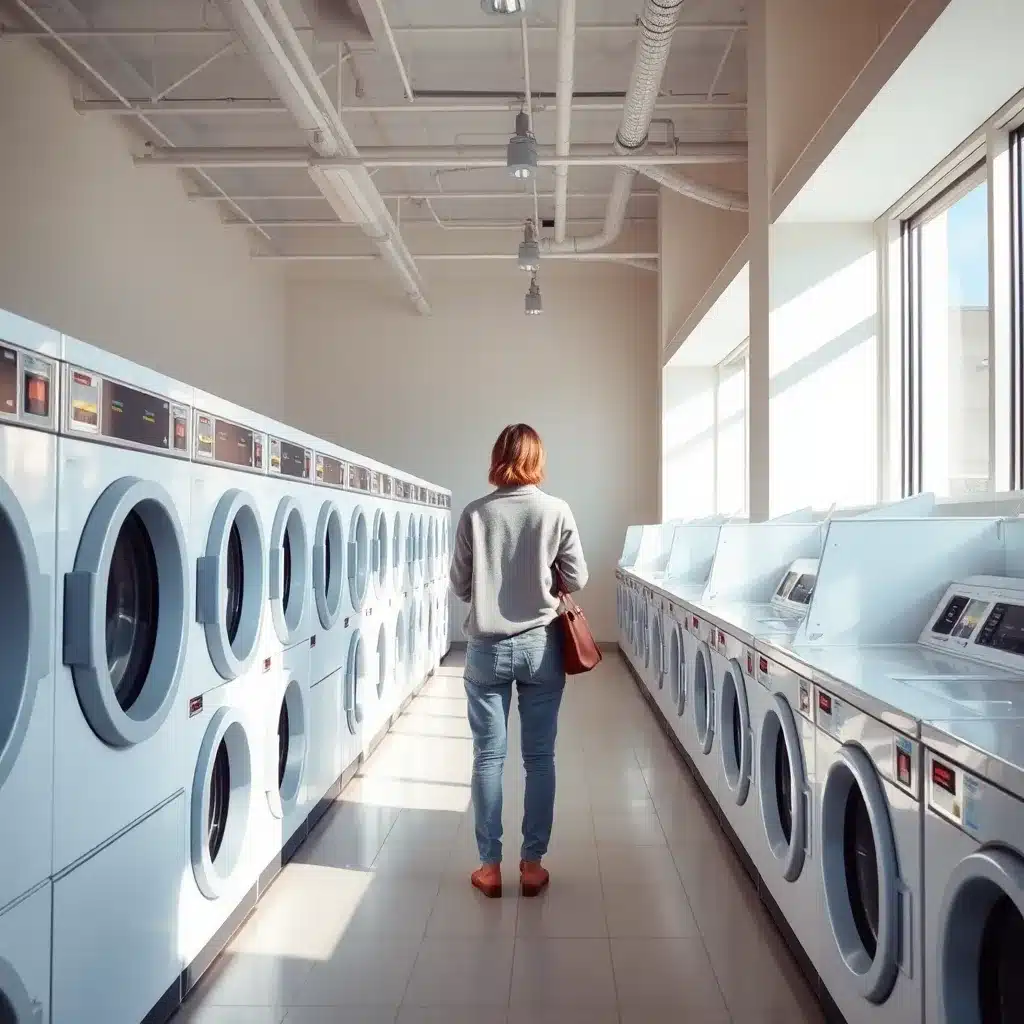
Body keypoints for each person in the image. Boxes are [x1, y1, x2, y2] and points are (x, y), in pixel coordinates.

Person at [449, 423, 589, 899]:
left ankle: (489, 867)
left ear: (497, 457)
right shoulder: (556, 510)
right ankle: (532, 864)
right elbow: (579, 576)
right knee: (539, 758)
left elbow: (461, 586)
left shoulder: (474, 514)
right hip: (540, 649)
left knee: (488, 758)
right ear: (537, 458)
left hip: (486, 649)